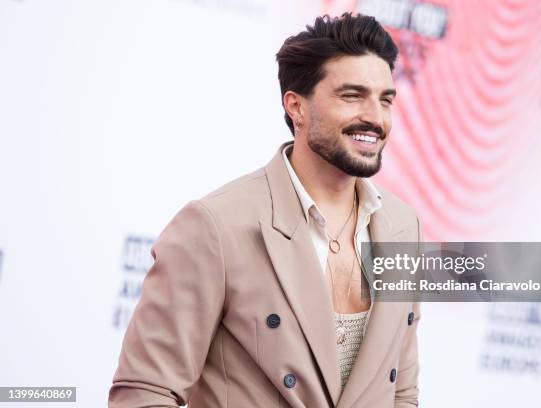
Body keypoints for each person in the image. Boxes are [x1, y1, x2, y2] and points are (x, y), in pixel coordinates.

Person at [109, 12, 422, 408]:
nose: (375, 118)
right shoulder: (216, 226)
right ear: (297, 106)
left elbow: (401, 393)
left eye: (385, 100)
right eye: (352, 95)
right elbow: (145, 392)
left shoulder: (402, 227)